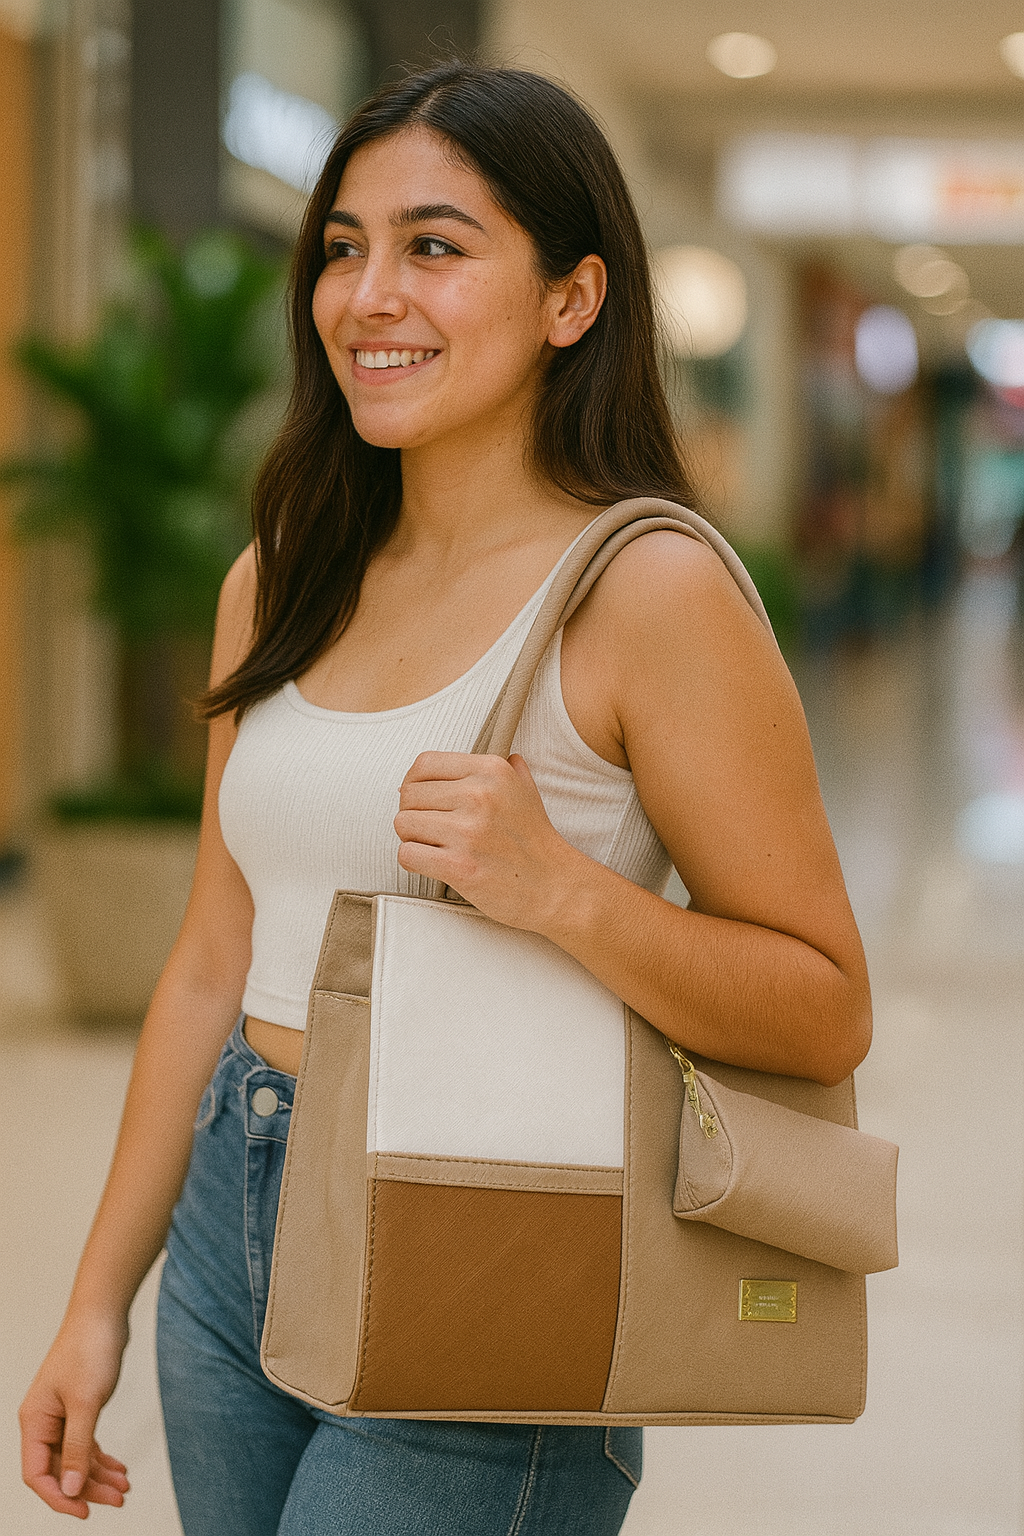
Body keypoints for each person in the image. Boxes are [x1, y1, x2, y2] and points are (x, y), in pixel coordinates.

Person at [19, 62, 872, 1535]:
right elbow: (214, 956)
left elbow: (825, 1007)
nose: (369, 297)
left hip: (490, 1226)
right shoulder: (280, 576)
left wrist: (560, 889)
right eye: (344, 248)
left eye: (435, 246)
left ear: (572, 298)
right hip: (232, 1217)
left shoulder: (647, 592)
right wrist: (100, 1299)